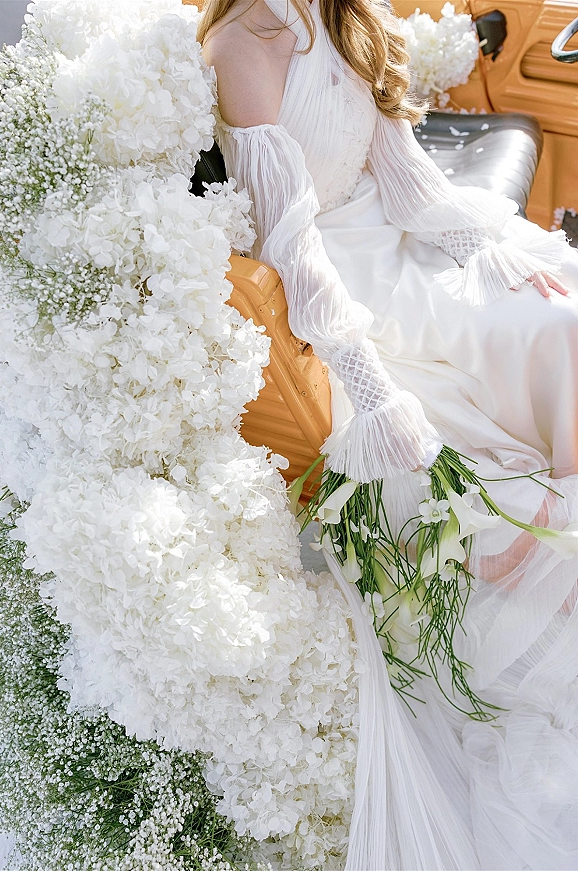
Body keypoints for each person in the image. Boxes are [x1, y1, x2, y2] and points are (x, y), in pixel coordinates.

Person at [199, 0, 578, 868]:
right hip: (343, 281)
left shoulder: (339, 15)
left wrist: (498, 247)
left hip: (399, 240)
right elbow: (291, 244)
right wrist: (372, 392)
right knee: (556, 341)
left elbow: (407, 178)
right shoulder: (240, 47)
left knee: (563, 314)